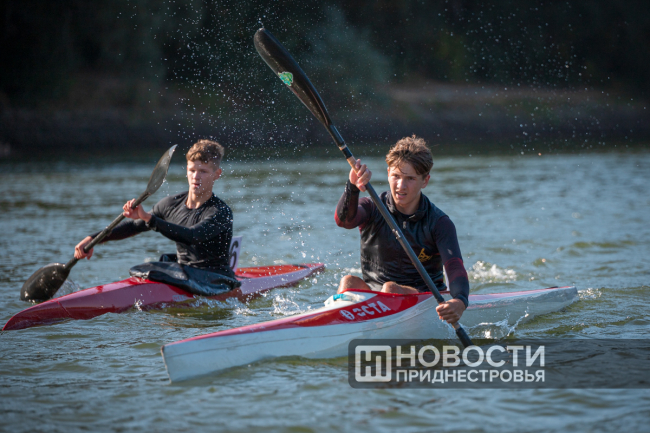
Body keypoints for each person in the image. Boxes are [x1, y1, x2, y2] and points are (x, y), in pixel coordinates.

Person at [334, 135, 470, 324]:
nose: (401, 186)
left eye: (410, 178)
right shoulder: (372, 208)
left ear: (425, 181)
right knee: (348, 282)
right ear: (388, 173)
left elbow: (454, 266)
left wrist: (459, 301)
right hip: (375, 300)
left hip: (423, 301)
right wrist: (352, 187)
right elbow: (344, 221)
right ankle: (338, 325)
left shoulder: (439, 223)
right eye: (396, 176)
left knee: (391, 288)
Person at [74, 139, 235, 280]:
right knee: (145, 269)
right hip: (185, 272)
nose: (195, 176)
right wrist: (93, 239)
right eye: (192, 170)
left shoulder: (220, 212)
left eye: (203, 171)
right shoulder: (171, 204)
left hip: (215, 278)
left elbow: (192, 236)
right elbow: (133, 226)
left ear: (217, 174)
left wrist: (149, 219)